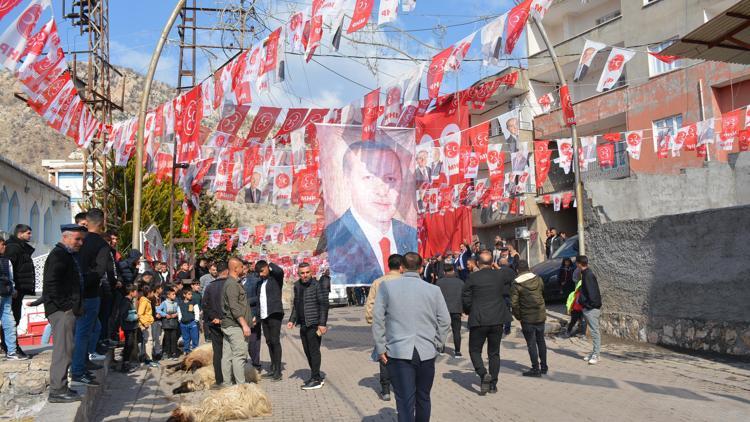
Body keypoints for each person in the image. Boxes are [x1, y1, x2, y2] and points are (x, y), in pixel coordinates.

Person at [325, 142, 418, 285]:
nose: (382, 190)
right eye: (369, 178)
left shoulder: (411, 235)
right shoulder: (336, 236)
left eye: (390, 179)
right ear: (347, 181)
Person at [372, 252, 450, 422]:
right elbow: (445, 320)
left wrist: (380, 347)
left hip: (398, 352)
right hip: (426, 351)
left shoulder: (386, 287)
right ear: (421, 268)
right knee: (423, 397)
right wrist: (437, 343)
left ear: (401, 267)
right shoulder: (434, 289)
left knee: (404, 400)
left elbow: (378, 319)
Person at [44, 224, 87, 402]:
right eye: (77, 239)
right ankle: (57, 390)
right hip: (61, 311)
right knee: (63, 350)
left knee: (67, 348)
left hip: (66, 309)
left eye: (81, 239)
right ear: (65, 237)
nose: (80, 243)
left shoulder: (67, 255)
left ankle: (62, 387)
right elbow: (52, 283)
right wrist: (66, 306)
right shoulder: (59, 255)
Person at [462, 250, 514, 395]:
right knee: (494, 353)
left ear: (478, 263)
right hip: (497, 318)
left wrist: (468, 310)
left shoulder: (472, 277)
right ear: (492, 262)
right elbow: (512, 275)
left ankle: (483, 373)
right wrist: (498, 267)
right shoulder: (500, 274)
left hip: (479, 319)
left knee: (474, 350)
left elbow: (465, 297)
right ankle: (493, 384)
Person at [73, 209, 114, 385]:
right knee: (83, 332)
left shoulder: (79, 241)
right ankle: (77, 370)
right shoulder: (101, 244)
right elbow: (99, 271)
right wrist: (87, 284)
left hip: (75, 291)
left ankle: (83, 362)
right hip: (89, 294)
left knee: (91, 328)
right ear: (102, 223)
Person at [365, 254, 404, 401]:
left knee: (384, 355)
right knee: (403, 355)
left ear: (389, 266)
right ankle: (402, 386)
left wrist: (371, 320)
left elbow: (370, 304)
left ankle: (386, 390)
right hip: (403, 325)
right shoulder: (407, 282)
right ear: (402, 267)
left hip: (384, 324)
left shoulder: (378, 282)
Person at [287, 262, 329, 390]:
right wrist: (292, 320)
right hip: (303, 324)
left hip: (314, 324)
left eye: (307, 272)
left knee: (314, 351)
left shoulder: (318, 285)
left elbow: (324, 305)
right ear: (298, 274)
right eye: (302, 273)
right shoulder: (297, 286)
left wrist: (322, 324)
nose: (305, 275)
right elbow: (296, 305)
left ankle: (316, 378)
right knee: (307, 351)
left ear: (311, 272)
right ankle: (315, 375)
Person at [1, 224, 35, 359]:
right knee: (11, 319)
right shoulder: (14, 248)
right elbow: (8, 271)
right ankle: (10, 346)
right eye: (28, 233)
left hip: (16, 289)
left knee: (12, 319)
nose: (30, 236)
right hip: (11, 290)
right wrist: (12, 288)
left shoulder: (20, 247)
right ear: (19, 234)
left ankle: (9, 346)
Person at [511, 260, 548, 377]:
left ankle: (535, 368)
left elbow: (514, 303)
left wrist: (519, 316)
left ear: (517, 270)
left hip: (527, 317)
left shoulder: (517, 283)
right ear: (528, 268)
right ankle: (544, 366)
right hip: (540, 314)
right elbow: (543, 292)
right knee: (541, 341)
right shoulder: (538, 279)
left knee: (531, 343)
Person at [221, 258, 253, 384]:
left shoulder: (232, 283)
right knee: (239, 356)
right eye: (241, 267)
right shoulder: (232, 284)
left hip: (230, 325)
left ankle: (228, 385)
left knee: (228, 357)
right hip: (235, 326)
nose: (243, 269)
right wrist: (244, 325)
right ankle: (241, 387)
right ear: (235, 269)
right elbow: (234, 307)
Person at [256, 260, 285, 380]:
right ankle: (272, 368)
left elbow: (280, 271)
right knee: (268, 341)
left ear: (267, 267)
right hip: (264, 315)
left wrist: (270, 264)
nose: (261, 274)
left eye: (262, 271)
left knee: (275, 341)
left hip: (274, 313)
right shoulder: (261, 282)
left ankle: (278, 371)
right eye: (259, 273)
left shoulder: (276, 278)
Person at [202, 261, 229, 386]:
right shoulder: (231, 285)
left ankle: (219, 380)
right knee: (229, 351)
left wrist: (213, 318)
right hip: (229, 323)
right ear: (227, 271)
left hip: (214, 323)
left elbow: (205, 305)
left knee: (217, 352)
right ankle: (229, 378)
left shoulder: (209, 286)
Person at [0, 239, 25, 360]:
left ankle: (11, 351)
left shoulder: (6, 260)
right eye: (2, 244)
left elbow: (10, 277)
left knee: (9, 322)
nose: (5, 246)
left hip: (6, 295)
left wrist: (13, 289)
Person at [577, 256, 602, 364]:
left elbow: (593, 293)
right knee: (593, 331)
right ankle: (594, 352)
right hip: (588, 308)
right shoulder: (585, 274)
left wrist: (588, 305)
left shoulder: (588, 275)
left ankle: (596, 355)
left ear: (579, 264)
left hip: (591, 308)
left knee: (594, 332)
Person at [436, 265, 464, 358]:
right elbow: (463, 296)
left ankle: (441, 348)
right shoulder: (460, 282)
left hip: (443, 310)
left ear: (444, 272)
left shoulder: (439, 282)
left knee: (442, 330)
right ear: (453, 271)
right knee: (456, 331)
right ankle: (457, 351)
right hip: (456, 309)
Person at [243, 265, 263, 371]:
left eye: (244, 268)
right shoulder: (233, 281)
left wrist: (245, 301)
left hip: (252, 315)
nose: (242, 270)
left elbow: (259, 297)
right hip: (239, 317)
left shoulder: (255, 281)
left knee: (253, 342)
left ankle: (256, 364)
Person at [119, 284, 140, 373]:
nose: (137, 293)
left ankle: (126, 363)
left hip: (131, 327)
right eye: (135, 291)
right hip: (128, 327)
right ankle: (125, 364)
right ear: (131, 292)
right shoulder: (126, 302)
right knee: (128, 345)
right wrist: (136, 317)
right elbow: (124, 315)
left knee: (130, 345)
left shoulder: (129, 301)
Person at [137, 285, 157, 367]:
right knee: (149, 341)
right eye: (152, 292)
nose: (153, 294)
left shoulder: (145, 300)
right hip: (146, 324)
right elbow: (140, 314)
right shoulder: (145, 301)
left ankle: (146, 357)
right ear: (149, 293)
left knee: (147, 341)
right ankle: (148, 359)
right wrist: (145, 323)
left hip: (147, 322)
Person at [157, 288, 180, 359]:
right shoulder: (164, 303)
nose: (174, 295)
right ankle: (168, 353)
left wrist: (176, 314)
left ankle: (174, 353)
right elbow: (158, 310)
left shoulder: (176, 303)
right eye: (173, 294)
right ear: (168, 295)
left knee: (174, 338)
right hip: (166, 323)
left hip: (174, 322)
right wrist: (165, 314)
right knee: (167, 339)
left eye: (175, 294)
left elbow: (179, 311)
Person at [177, 287, 200, 355]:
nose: (191, 296)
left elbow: (197, 311)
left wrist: (196, 320)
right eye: (189, 294)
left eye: (191, 294)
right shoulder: (180, 304)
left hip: (192, 323)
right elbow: (179, 312)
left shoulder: (193, 302)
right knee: (186, 338)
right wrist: (180, 320)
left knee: (194, 337)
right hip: (183, 324)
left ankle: (195, 350)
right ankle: (186, 350)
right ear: (184, 295)